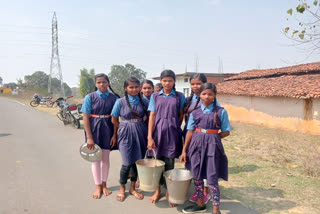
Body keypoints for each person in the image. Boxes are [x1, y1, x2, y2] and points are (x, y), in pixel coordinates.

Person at [180, 83, 232, 214]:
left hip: (212, 147)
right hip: (196, 145)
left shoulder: (221, 111)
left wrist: (213, 138)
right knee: (197, 175)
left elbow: (226, 131)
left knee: (212, 177)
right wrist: (184, 150)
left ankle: (216, 208)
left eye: (210, 94)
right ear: (200, 95)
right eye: (204, 94)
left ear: (215, 95)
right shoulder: (194, 112)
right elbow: (190, 131)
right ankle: (200, 203)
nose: (207, 96)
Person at [147, 69, 185, 206]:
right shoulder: (155, 96)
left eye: (170, 80)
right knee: (157, 163)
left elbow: (181, 115)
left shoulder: (180, 96)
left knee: (170, 164)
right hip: (157, 134)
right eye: (164, 80)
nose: (167, 83)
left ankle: (169, 192)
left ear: (174, 81)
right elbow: (152, 116)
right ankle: (157, 191)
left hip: (173, 134)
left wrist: (173, 125)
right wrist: (150, 137)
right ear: (161, 81)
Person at [81, 73, 120, 199]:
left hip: (108, 128)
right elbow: (85, 118)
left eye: (104, 82)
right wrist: (89, 137)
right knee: (95, 159)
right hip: (94, 129)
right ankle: (98, 186)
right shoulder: (90, 97)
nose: (101, 84)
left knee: (105, 159)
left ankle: (104, 185)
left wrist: (115, 134)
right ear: (95, 84)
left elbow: (116, 119)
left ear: (108, 83)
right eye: (99, 82)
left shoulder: (114, 98)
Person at [183, 73, 220, 204]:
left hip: (206, 136)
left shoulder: (210, 100)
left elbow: (216, 118)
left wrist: (212, 137)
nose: (195, 86)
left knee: (206, 164)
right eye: (192, 84)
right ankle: (197, 191)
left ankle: (205, 193)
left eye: (198, 84)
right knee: (194, 163)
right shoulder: (188, 100)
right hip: (190, 132)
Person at [111, 77, 149, 202]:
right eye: (131, 87)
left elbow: (149, 117)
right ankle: (122, 188)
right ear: (125, 89)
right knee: (127, 163)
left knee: (137, 162)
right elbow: (114, 119)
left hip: (141, 132)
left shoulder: (144, 101)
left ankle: (132, 188)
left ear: (139, 88)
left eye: (136, 87)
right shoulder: (120, 102)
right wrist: (118, 132)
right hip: (125, 132)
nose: (134, 89)